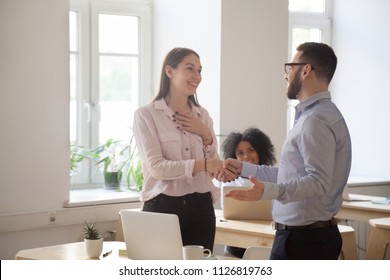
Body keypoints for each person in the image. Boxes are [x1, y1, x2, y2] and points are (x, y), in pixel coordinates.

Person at [221, 42, 352, 260]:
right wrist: (242, 168)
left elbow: (317, 182)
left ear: (305, 70)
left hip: (305, 241)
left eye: (289, 68)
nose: (286, 75)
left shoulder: (315, 120)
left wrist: (268, 191)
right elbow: (291, 174)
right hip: (303, 237)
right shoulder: (314, 116)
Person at [133, 47, 222, 251]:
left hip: (202, 208)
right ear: (170, 71)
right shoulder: (147, 115)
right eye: (190, 69)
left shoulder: (203, 117)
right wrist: (203, 164)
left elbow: (214, 166)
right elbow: (157, 168)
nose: (197, 76)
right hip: (162, 208)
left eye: (200, 70)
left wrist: (206, 134)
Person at [221, 127, 276, 258]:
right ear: (234, 156)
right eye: (240, 153)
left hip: (265, 237)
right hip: (236, 239)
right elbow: (227, 209)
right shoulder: (229, 179)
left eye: (251, 150)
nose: (246, 157)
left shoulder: (272, 176)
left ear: (260, 152)